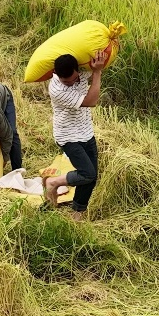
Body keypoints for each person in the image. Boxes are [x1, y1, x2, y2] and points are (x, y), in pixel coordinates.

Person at [43, 50, 108, 221]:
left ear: (77, 70)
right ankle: (53, 183)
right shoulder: (57, 89)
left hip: (86, 131)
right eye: (67, 82)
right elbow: (91, 102)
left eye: (75, 79)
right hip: (68, 135)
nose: (72, 83)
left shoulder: (80, 72)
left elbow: (98, 62)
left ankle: (77, 214)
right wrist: (97, 72)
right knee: (87, 173)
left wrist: (99, 63)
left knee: (91, 177)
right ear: (56, 74)